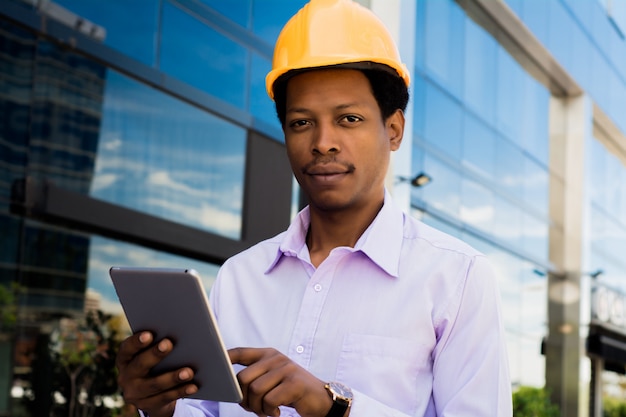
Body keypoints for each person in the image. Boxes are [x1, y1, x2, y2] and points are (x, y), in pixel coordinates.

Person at [115, 0, 513, 416]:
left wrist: (332, 406)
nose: (323, 142)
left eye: (349, 119)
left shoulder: (457, 278)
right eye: (301, 122)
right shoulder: (239, 276)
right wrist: (159, 407)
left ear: (393, 130)